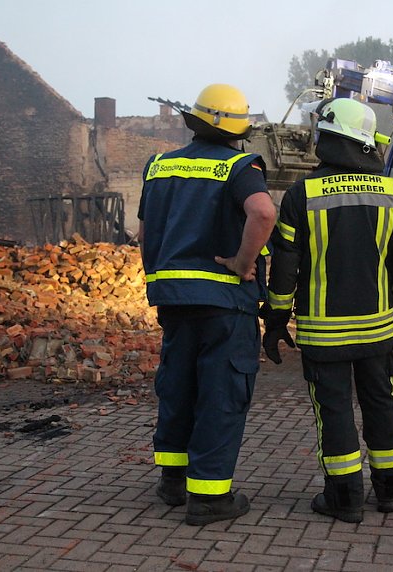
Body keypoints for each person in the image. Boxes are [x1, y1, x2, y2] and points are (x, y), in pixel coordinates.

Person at [261, 97, 393, 523]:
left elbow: (285, 268)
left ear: (328, 139)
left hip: (323, 334)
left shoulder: (302, 195)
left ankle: (344, 498)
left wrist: (275, 320)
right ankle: (389, 490)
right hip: (378, 330)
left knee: (333, 410)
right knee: (381, 404)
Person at [137, 83, 277, 526]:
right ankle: (211, 498)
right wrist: (242, 261)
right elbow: (263, 213)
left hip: (173, 300)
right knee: (220, 394)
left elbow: (144, 234)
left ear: (194, 123)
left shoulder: (158, 166)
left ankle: (173, 484)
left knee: (178, 387)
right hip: (224, 303)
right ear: (239, 132)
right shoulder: (241, 166)